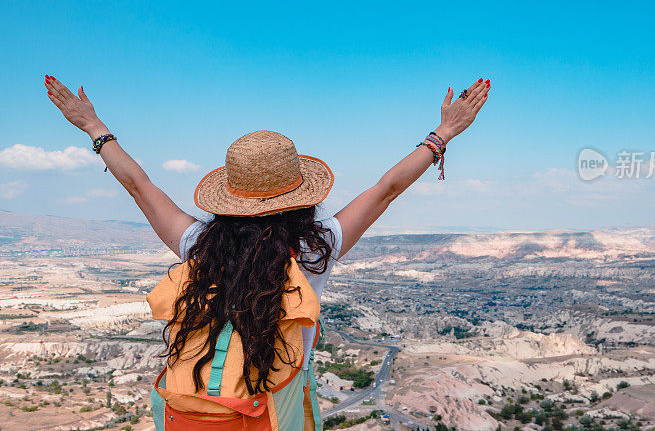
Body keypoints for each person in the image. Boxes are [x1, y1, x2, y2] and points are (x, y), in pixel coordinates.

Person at [44, 75, 490, 429]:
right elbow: (386, 190)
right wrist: (443, 133)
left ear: (228, 198)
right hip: (271, 411)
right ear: (301, 195)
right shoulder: (316, 249)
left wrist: (94, 127)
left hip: (193, 412)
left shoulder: (200, 244)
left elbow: (140, 187)